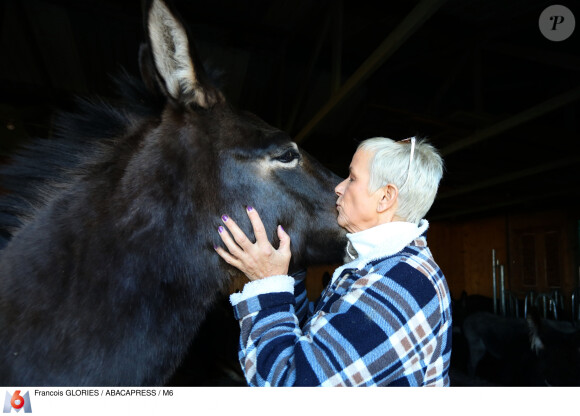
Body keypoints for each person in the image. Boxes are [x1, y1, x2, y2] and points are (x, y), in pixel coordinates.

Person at [214, 136, 451, 386]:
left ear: (385, 198)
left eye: (352, 178)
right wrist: (287, 271)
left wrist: (268, 283)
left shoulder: (402, 287)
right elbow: (315, 341)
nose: (339, 187)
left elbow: (291, 384)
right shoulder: (384, 267)